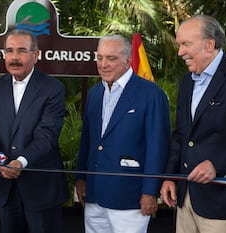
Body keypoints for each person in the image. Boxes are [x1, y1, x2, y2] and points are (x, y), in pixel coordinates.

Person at [160, 14, 226, 233]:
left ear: (209, 44)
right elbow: (181, 135)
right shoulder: (188, 81)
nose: (180, 52)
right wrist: (170, 176)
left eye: (186, 44)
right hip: (186, 199)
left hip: (223, 202)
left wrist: (216, 164)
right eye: (179, 45)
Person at [75, 34, 171, 233]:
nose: (103, 64)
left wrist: (150, 192)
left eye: (111, 58)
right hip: (94, 194)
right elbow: (88, 141)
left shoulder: (151, 94)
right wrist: (81, 178)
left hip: (130, 198)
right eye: (100, 58)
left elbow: (157, 147)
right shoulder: (95, 93)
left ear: (128, 60)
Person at [0, 29, 69, 233]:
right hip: (4, 189)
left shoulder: (53, 88)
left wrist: (21, 162)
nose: (14, 57)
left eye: (21, 51)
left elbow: (47, 135)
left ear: (36, 55)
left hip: (41, 190)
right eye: (9, 51)